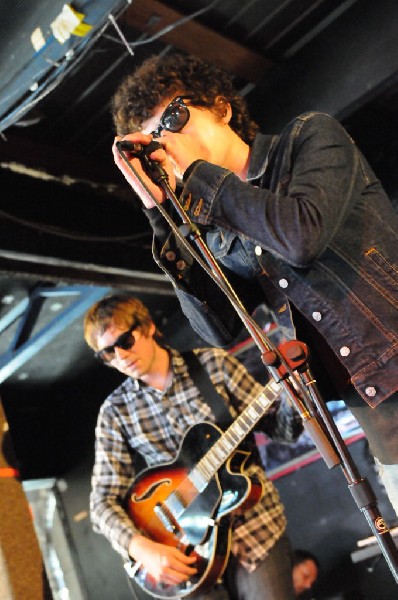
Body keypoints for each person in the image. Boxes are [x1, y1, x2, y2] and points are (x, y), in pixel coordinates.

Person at [110, 51, 398, 518]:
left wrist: (197, 177)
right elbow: (218, 329)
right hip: (381, 429)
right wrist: (161, 217)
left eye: (175, 118)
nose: (167, 142)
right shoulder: (218, 228)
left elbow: (300, 236)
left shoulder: (308, 138)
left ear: (221, 107)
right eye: (155, 139)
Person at [83, 294, 304, 600]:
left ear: (146, 327)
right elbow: (101, 503)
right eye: (107, 353)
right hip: (187, 555)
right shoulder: (115, 412)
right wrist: (141, 548)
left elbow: (284, 431)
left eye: (125, 340)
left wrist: (294, 394)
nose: (120, 355)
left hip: (256, 527)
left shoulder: (212, 365)